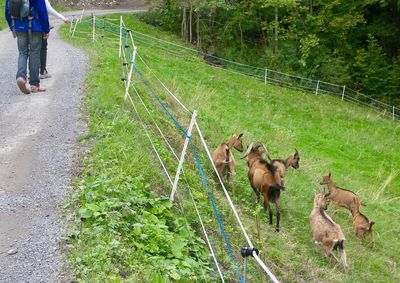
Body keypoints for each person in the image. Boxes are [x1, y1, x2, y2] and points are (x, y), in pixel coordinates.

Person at [5, 0, 50, 94]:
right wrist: (46, 29)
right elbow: (42, 10)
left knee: (22, 53)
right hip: (34, 25)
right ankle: (34, 85)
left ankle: (21, 77)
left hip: (19, 25)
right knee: (34, 53)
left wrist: (12, 26)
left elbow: (7, 9)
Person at [40, 0, 70, 79]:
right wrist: (63, 18)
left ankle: (32, 73)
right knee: (42, 48)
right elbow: (50, 10)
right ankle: (42, 71)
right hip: (39, 27)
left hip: (25, 27)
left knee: (32, 50)